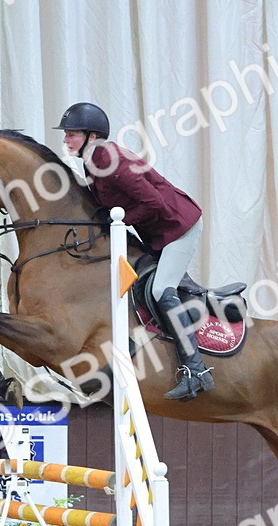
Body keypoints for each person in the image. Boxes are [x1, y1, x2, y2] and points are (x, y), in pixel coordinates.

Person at [54, 102, 214, 401]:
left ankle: (196, 370)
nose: (66, 140)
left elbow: (154, 202)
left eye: (71, 134)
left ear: (91, 136)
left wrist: (121, 223)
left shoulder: (110, 159)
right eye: (66, 134)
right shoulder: (91, 162)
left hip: (179, 226)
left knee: (160, 290)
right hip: (157, 231)